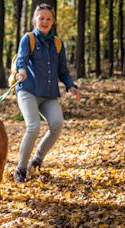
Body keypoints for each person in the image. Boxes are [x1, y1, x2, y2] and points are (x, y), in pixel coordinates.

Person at [14, 3, 81, 183]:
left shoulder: (58, 44)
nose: (44, 21)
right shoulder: (28, 39)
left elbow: (63, 71)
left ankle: (36, 161)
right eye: (41, 18)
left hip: (49, 94)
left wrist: (70, 86)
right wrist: (21, 70)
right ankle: (20, 170)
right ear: (35, 20)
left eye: (48, 19)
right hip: (28, 90)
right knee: (33, 126)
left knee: (57, 124)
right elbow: (22, 59)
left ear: (53, 21)